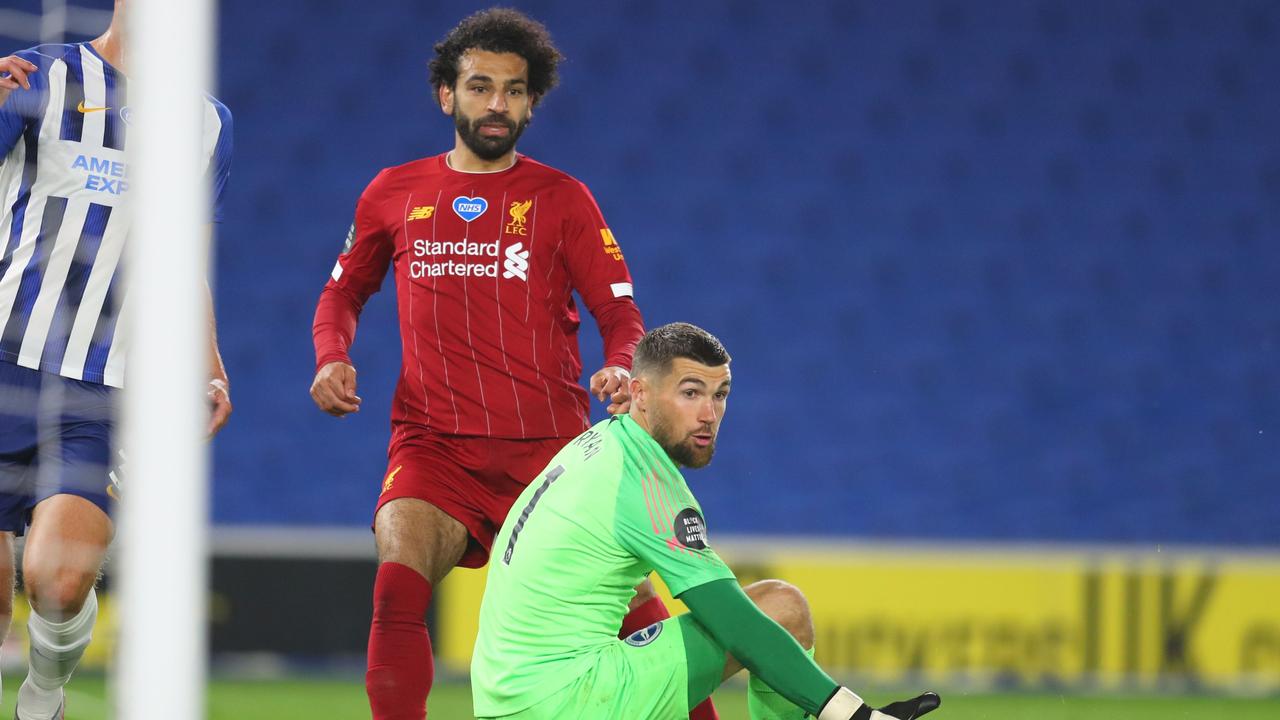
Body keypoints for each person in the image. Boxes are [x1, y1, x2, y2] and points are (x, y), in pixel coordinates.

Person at [309, 8, 717, 720]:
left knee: (633, 621)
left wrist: (621, 365)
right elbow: (343, 290)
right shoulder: (392, 193)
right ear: (447, 95)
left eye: (514, 90)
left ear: (531, 101)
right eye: (480, 87)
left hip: (553, 457)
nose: (497, 103)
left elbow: (620, 312)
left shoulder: (563, 199)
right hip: (435, 447)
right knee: (396, 586)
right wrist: (331, 357)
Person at [472, 323, 942, 720]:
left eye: (720, 395)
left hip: (503, 695)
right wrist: (855, 713)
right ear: (639, 393)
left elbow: (638, 594)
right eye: (690, 392)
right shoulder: (643, 482)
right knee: (782, 606)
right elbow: (738, 624)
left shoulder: (597, 446)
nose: (709, 414)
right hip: (566, 699)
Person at [0, 1, 234, 718]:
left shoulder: (207, 122)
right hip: (4, 360)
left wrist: (210, 365)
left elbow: (184, 255)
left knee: (58, 581)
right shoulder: (37, 76)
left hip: (104, 384)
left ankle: (44, 690)